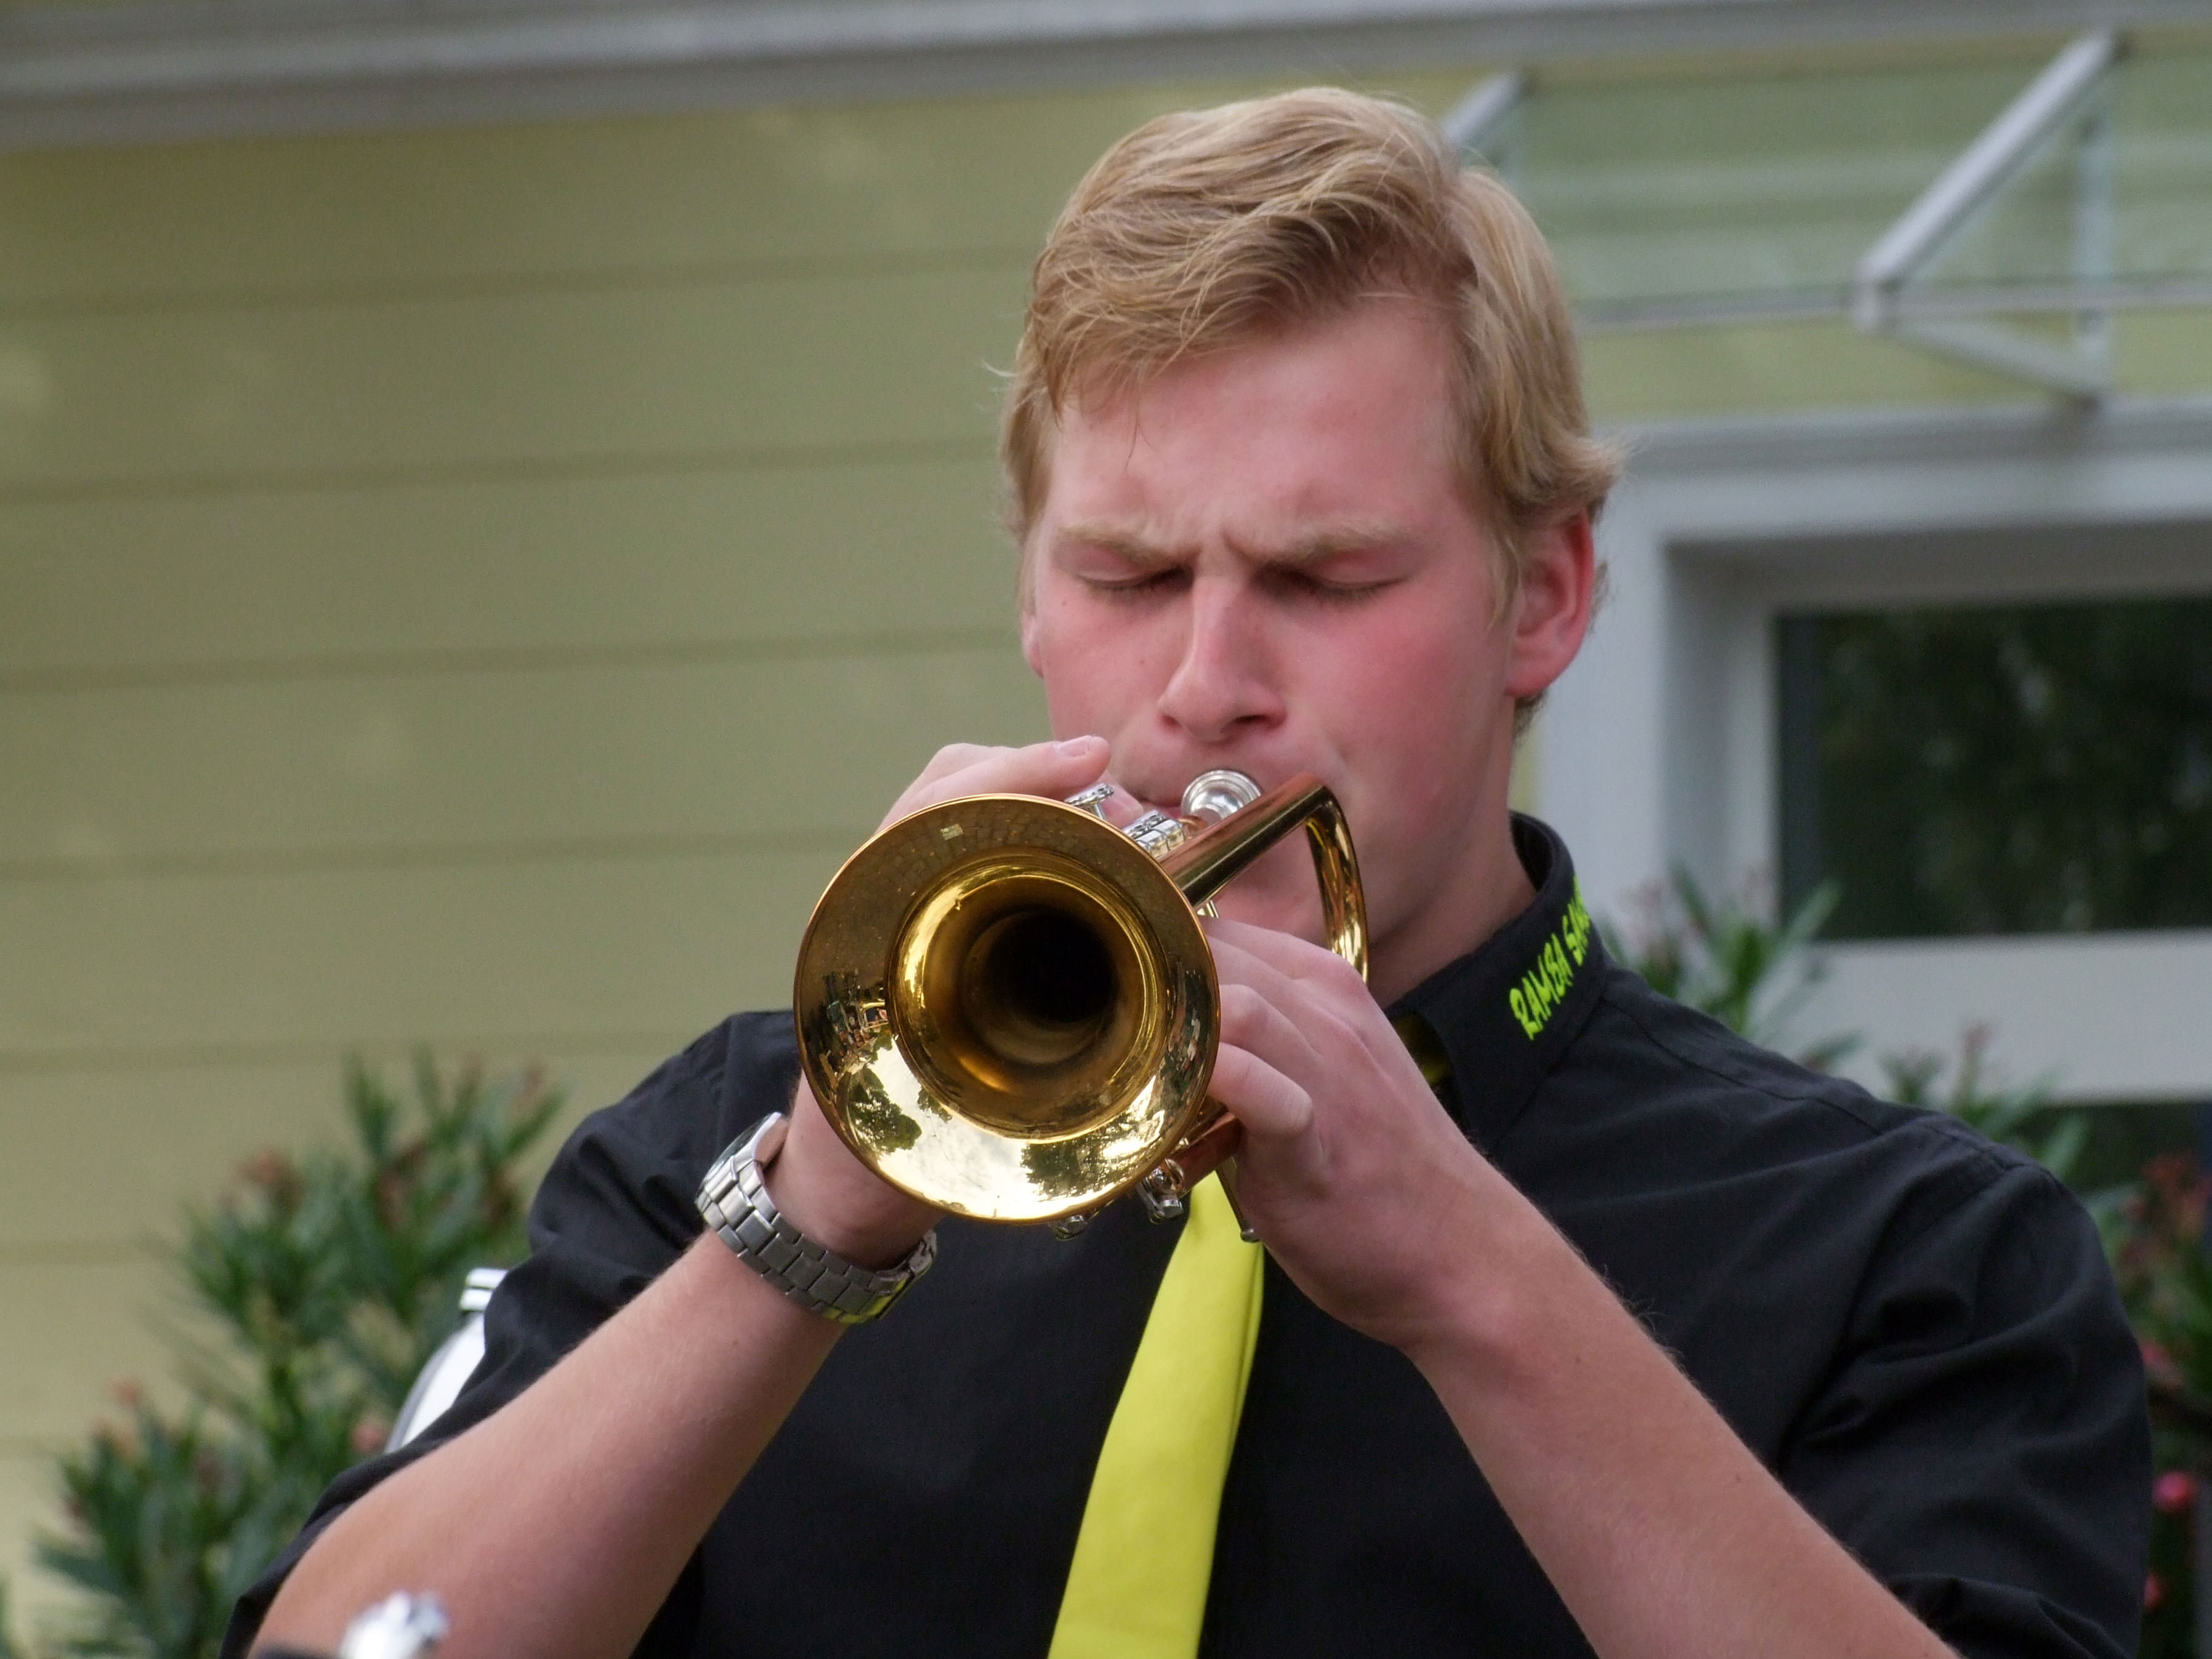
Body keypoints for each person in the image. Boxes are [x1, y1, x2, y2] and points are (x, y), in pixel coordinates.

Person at [230, 88, 2148, 1659]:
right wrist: (807, 1224)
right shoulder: (735, 1147)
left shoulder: (1918, 1257)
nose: (1206, 682)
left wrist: (1472, 1279)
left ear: (1545, 597)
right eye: (1130, 574)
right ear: (1030, 589)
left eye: (1325, 577)